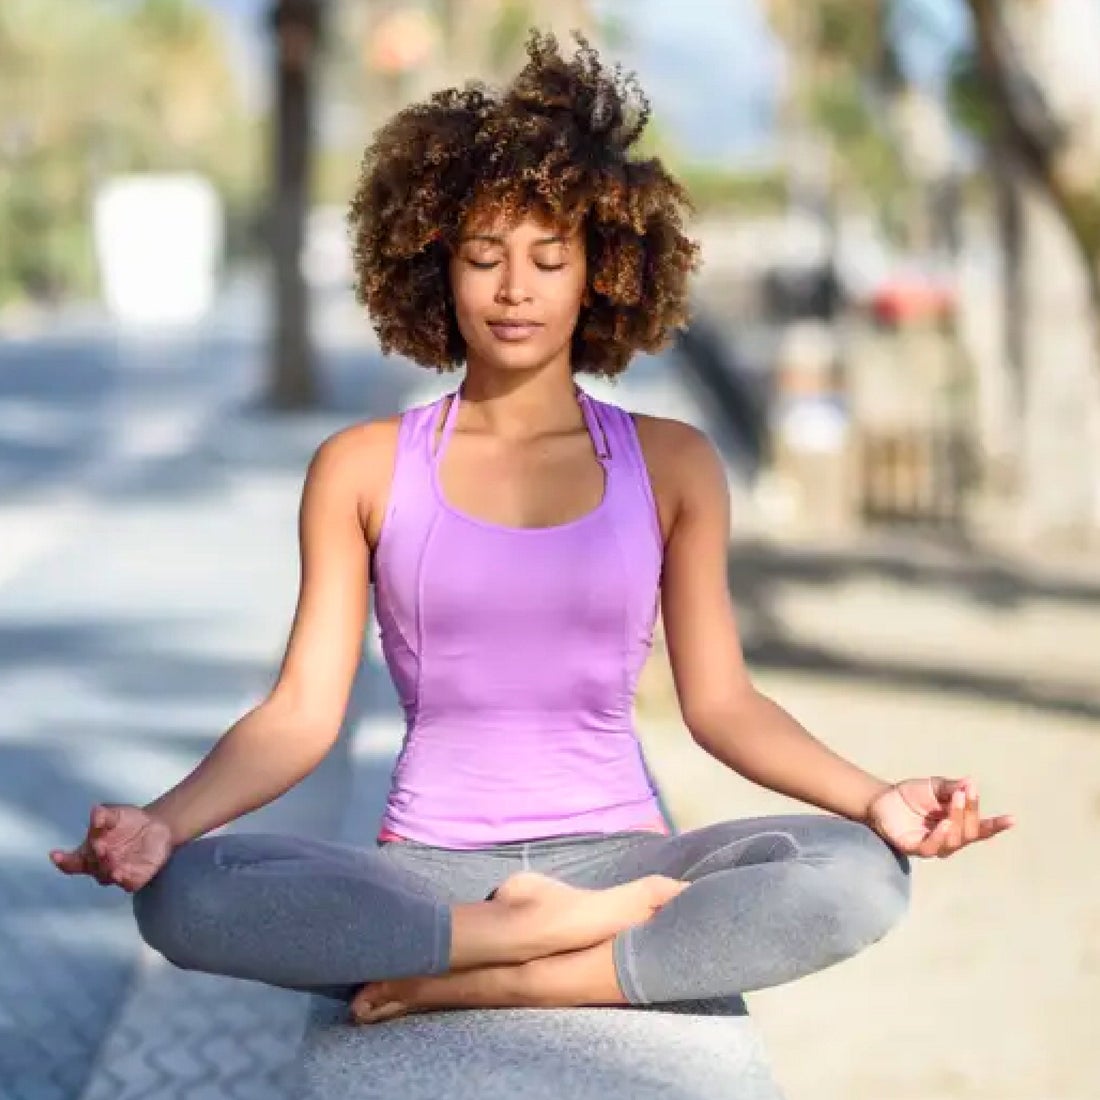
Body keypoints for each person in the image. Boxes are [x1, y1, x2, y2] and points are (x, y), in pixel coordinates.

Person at [49, 31, 1014, 1028]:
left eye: (548, 258)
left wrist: (875, 798)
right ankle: (502, 937)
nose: (514, 289)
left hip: (618, 854)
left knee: (858, 874)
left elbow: (722, 702)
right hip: (427, 875)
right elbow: (299, 712)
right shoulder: (361, 467)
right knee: (188, 891)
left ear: (601, 271)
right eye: (482, 258)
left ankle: (522, 970)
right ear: (434, 268)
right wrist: (161, 822)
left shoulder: (672, 463)